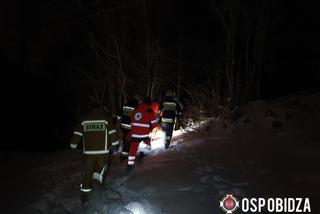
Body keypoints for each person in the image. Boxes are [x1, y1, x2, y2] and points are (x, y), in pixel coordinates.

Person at [70, 106, 119, 204]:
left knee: (87, 172)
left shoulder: (84, 120)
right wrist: (115, 144)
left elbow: (77, 133)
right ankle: (98, 186)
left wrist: (73, 144)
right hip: (103, 152)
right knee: (101, 169)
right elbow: (112, 133)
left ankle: (85, 195)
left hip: (88, 152)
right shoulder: (106, 119)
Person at [127, 97, 157, 173]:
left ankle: (130, 165)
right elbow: (154, 124)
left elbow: (131, 122)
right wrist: (154, 132)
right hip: (144, 135)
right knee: (148, 146)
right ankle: (142, 153)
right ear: (149, 103)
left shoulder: (135, 110)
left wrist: (130, 134)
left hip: (134, 134)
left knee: (133, 150)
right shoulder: (150, 111)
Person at [119, 94, 140, 160]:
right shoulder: (137, 107)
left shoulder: (125, 105)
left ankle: (124, 152)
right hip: (130, 126)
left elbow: (119, 115)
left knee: (125, 138)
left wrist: (119, 121)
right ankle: (124, 155)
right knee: (128, 140)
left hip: (123, 125)